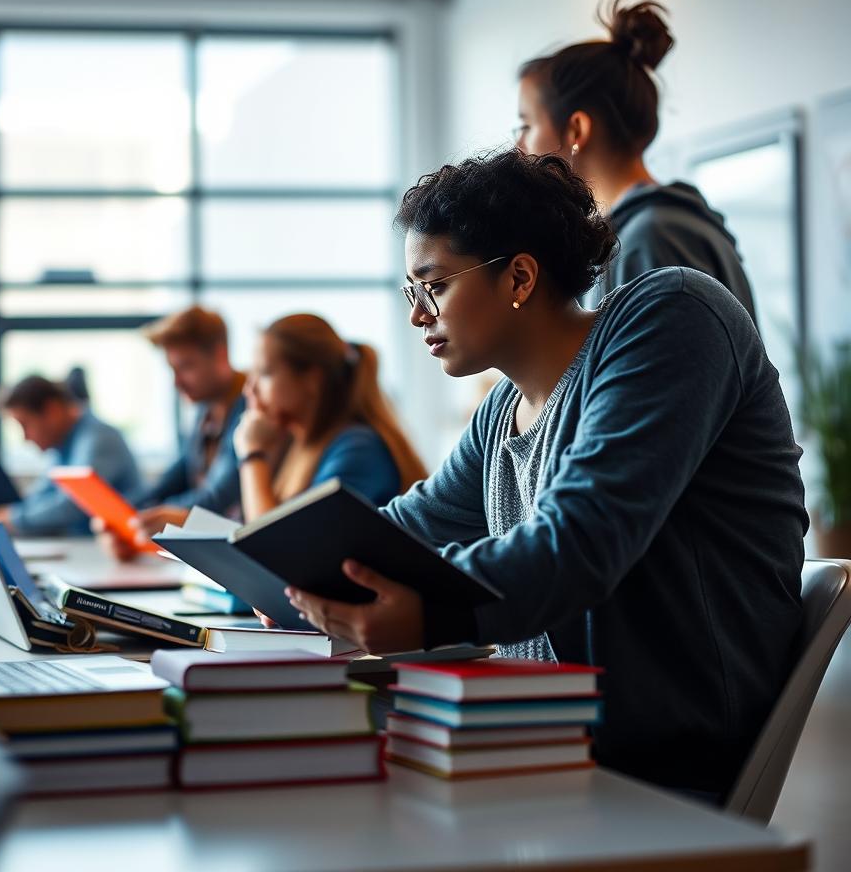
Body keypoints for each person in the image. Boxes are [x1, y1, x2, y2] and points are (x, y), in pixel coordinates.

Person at [284, 149, 806, 801]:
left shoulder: (674, 314)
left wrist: (433, 613)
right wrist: (282, 566)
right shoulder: (503, 410)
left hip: (657, 768)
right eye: (411, 292)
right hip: (545, 747)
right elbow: (408, 529)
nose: (418, 314)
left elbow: (582, 538)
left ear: (520, 278)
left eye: (435, 285)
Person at [516, 0, 757, 319]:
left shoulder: (649, 238)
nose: (519, 147)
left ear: (576, 129)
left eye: (526, 125)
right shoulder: (663, 226)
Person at [234, 314, 427, 520]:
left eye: (264, 373)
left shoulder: (358, 448)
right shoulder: (302, 443)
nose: (249, 389)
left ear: (311, 379)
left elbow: (278, 546)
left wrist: (252, 455)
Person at [131, 307, 246, 534]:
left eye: (186, 367)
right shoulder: (205, 412)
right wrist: (128, 513)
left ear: (220, 356)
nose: (177, 383)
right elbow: (175, 477)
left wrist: (150, 517)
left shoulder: (251, 408)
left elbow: (217, 498)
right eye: (173, 370)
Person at [0, 375, 141, 537]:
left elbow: (73, 505)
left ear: (53, 411)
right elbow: (40, 496)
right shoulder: (63, 445)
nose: (25, 437)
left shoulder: (99, 438)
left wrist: (10, 518)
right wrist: (1, 515)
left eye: (25, 424)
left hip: (114, 549)